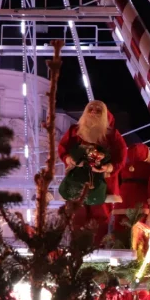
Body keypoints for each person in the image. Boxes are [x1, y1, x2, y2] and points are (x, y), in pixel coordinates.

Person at [57, 100, 127, 245]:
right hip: (77, 180)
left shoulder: (112, 135)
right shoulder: (75, 131)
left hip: (102, 183)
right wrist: (69, 159)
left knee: (99, 217)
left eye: (98, 110)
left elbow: (121, 156)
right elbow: (63, 147)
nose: (94, 111)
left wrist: (108, 167)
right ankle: (76, 249)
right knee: (77, 214)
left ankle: (96, 250)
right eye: (91, 108)